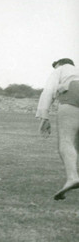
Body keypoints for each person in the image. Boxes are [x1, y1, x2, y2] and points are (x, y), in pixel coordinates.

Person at [36, 58, 79, 200]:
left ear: (59, 64)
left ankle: (72, 177)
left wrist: (44, 116)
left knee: (66, 140)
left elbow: (48, 91)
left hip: (72, 91)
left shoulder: (60, 69)